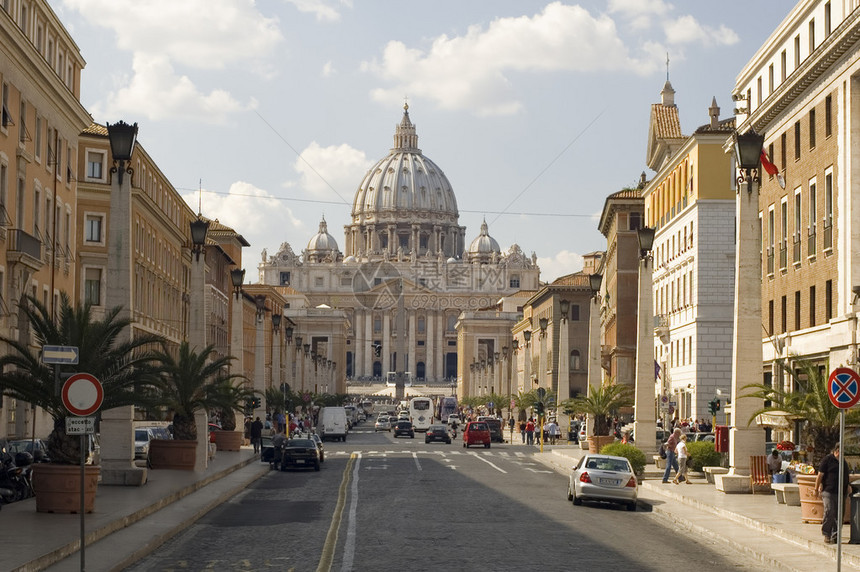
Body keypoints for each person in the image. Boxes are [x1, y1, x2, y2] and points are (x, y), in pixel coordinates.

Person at [816, 443, 851, 544]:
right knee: (829, 511)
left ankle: (836, 535)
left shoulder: (843, 462)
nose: (843, 454)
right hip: (828, 491)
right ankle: (827, 533)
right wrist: (816, 487)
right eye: (842, 451)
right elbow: (820, 475)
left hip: (841, 492)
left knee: (840, 514)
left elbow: (846, 476)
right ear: (836, 451)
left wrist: (848, 487)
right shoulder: (827, 460)